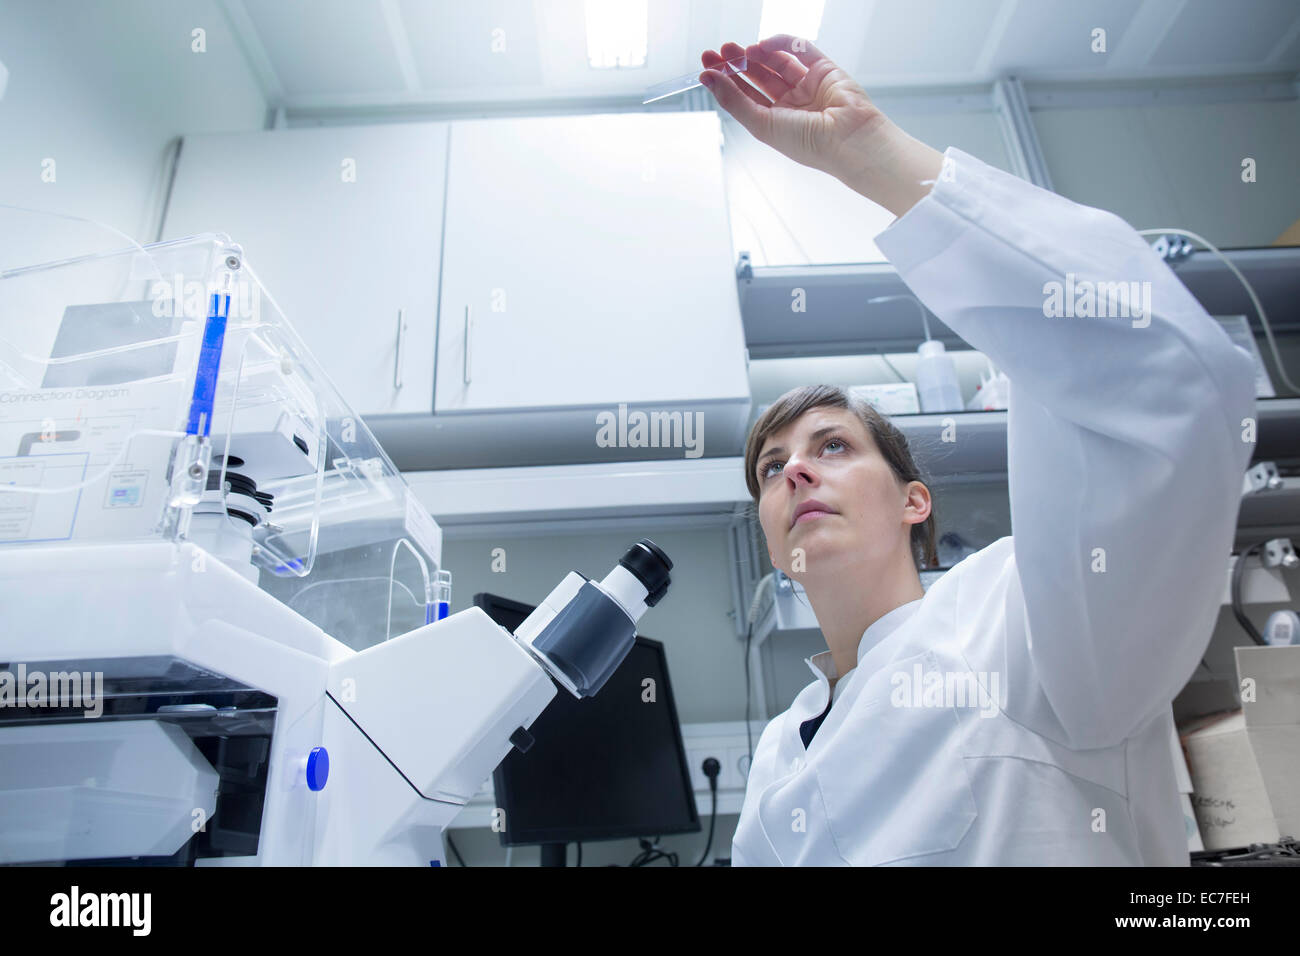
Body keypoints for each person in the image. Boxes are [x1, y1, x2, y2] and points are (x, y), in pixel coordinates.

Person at [701, 36, 1257, 865]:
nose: (796, 472)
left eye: (832, 445)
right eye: (772, 468)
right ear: (772, 540)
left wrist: (870, 158)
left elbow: (1171, 382)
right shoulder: (778, 765)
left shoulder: (1016, 622)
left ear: (913, 500)